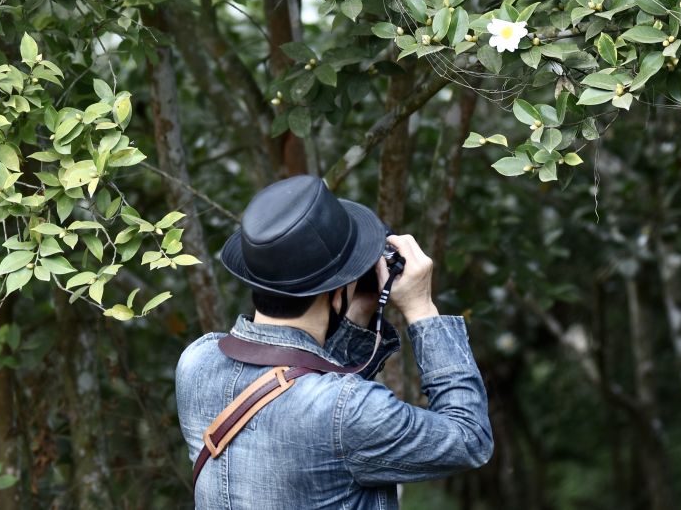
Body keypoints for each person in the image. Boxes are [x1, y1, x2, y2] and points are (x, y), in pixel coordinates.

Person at [176, 174, 493, 508]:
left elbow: (308, 399)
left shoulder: (196, 363)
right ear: (335, 290)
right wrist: (421, 309)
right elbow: (469, 439)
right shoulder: (349, 410)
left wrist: (355, 312)